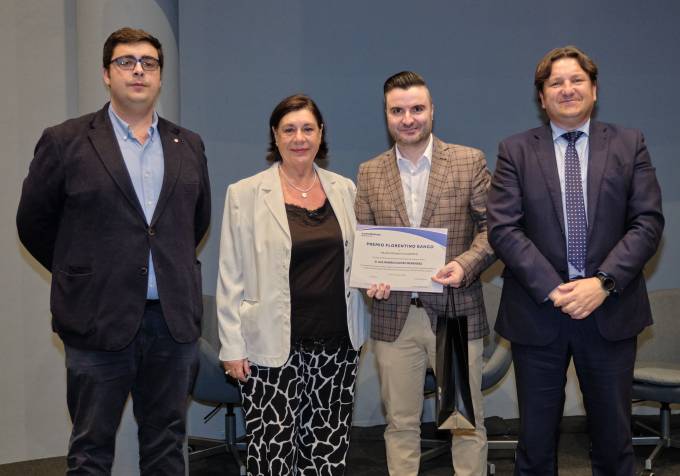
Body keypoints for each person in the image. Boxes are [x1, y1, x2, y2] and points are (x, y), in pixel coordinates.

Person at [16, 27, 210, 474]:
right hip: (95, 318)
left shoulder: (188, 144)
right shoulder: (65, 141)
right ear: (106, 74)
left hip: (173, 323)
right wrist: (80, 273)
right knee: (91, 449)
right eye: (126, 61)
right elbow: (33, 224)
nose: (138, 70)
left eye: (149, 63)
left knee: (167, 444)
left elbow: (194, 223)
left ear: (160, 76)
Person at [487, 45, 664, 475]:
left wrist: (601, 283)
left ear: (594, 90)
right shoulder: (515, 150)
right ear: (542, 96)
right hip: (538, 314)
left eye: (576, 80)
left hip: (610, 311)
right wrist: (555, 289)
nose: (567, 89)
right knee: (534, 446)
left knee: (615, 443)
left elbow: (647, 222)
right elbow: (504, 228)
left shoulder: (629, 143)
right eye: (556, 83)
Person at [216, 94, 369, 476]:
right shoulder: (245, 193)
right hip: (271, 350)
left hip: (337, 347)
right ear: (275, 135)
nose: (299, 138)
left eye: (307, 129)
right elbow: (230, 275)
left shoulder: (345, 190)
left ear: (321, 133)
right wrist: (232, 346)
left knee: (327, 452)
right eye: (289, 130)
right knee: (273, 456)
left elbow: (361, 261)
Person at [355, 71, 495, 476]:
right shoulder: (369, 172)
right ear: (386, 115)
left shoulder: (468, 161)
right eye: (397, 111)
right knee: (400, 424)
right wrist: (371, 279)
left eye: (416, 108)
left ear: (432, 110)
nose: (408, 119)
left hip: (453, 312)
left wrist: (465, 264)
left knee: (463, 422)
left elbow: (494, 230)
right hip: (394, 316)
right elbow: (364, 242)